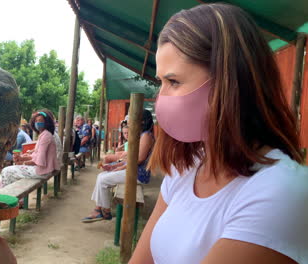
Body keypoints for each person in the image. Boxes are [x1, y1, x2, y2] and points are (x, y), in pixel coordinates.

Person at [129, 4, 308, 263]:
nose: (161, 98)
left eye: (174, 82)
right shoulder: (186, 168)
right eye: (161, 83)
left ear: (229, 81)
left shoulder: (281, 191)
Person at [82, 110, 154, 223]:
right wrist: (114, 166)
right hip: (133, 171)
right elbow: (131, 158)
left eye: (133, 118)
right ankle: (99, 208)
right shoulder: (142, 135)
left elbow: (138, 160)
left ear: (142, 121)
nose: (130, 122)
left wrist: (118, 167)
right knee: (101, 176)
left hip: (139, 174)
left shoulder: (146, 136)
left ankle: (104, 211)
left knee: (103, 179)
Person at [0, 110, 60, 189]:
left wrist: (23, 162)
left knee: (6, 171)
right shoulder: (44, 134)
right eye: (36, 121)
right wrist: (22, 158)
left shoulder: (46, 136)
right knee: (10, 172)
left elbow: (40, 160)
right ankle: (8, 196)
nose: (37, 123)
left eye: (40, 121)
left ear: (47, 122)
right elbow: (37, 155)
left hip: (42, 171)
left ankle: (0, 197)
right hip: (45, 169)